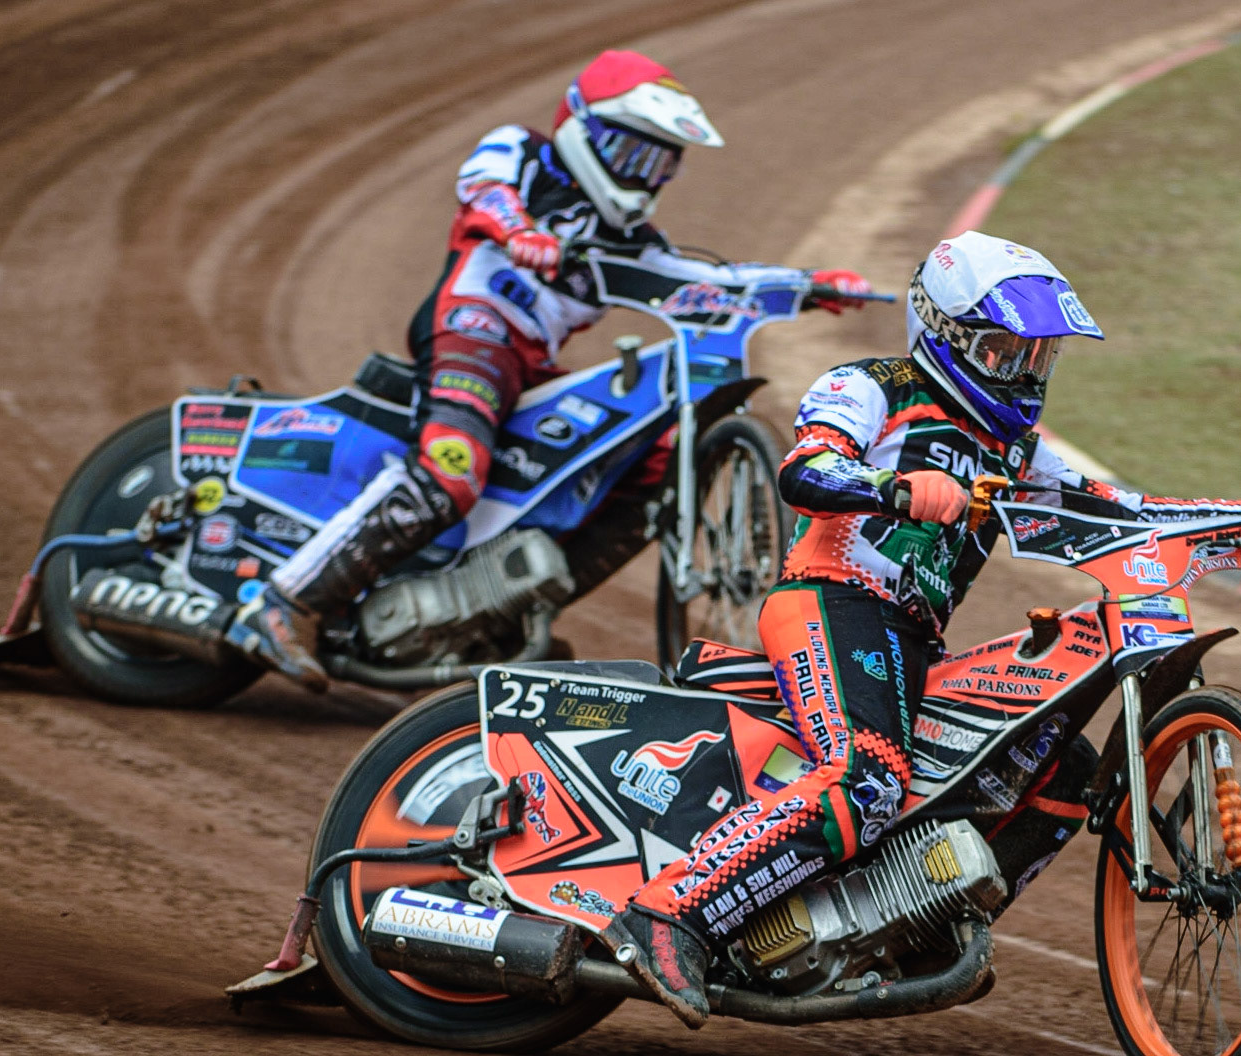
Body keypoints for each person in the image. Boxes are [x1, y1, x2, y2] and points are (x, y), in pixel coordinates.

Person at [601, 229, 1241, 1027]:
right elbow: (806, 468)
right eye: (1008, 352)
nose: (1027, 372)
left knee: (1062, 764)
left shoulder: (1016, 451)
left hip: (910, 641)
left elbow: (1122, 511)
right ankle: (667, 916)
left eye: (1039, 356)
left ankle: (916, 924)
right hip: (829, 598)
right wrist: (895, 488)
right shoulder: (872, 386)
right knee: (864, 778)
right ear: (950, 338)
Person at [225, 49, 871, 689]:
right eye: (634, 155)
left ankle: (495, 613)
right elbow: (482, 191)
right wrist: (516, 231)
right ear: (585, 130)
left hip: (530, 363)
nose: (646, 178)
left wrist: (807, 284)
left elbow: (706, 281)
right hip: (472, 329)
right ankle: (285, 603)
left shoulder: (633, 242)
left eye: (661, 163)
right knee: (453, 468)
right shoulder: (521, 153)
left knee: (648, 467)